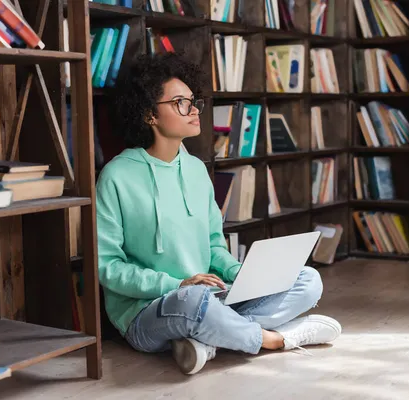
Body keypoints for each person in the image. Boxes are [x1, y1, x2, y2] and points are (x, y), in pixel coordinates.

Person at [95, 52, 342, 375]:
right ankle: (276, 339)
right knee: (193, 303)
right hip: (150, 311)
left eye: (193, 100)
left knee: (307, 279)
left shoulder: (196, 170)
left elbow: (213, 246)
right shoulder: (117, 176)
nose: (194, 109)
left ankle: (207, 341)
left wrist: (244, 274)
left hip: (212, 297)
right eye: (180, 102)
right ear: (149, 115)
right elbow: (108, 268)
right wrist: (177, 283)